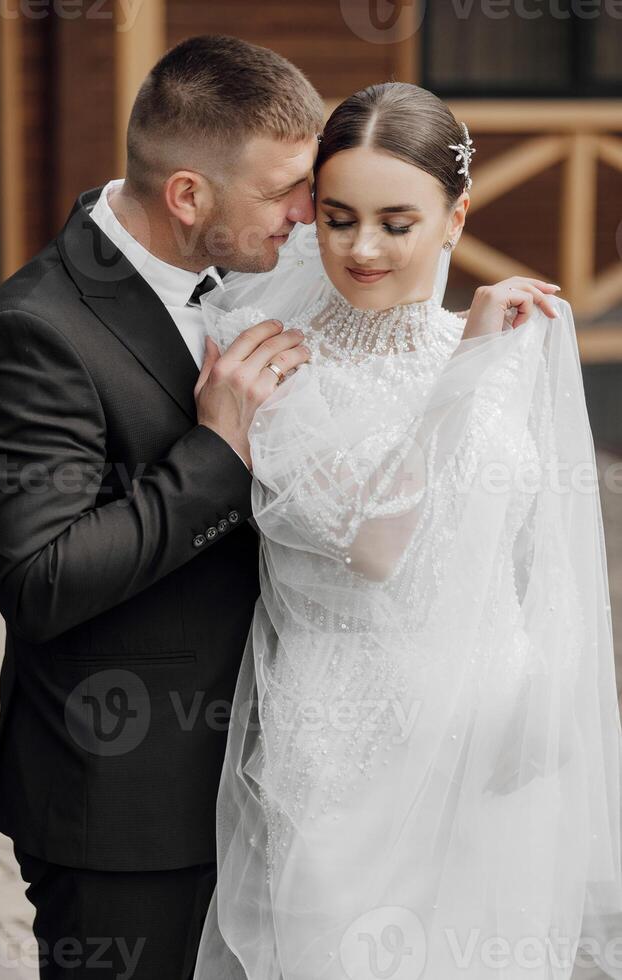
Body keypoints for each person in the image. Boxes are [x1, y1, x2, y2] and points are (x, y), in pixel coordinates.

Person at [193, 82, 622, 980]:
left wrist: (541, 711)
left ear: (455, 216)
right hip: (343, 746)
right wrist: (466, 371)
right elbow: (376, 543)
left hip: (490, 737)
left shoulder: (506, 348)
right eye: (338, 218)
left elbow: (536, 559)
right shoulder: (272, 357)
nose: (362, 248)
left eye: (397, 221)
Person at [0, 35, 320, 979]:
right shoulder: (31, 329)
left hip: (256, 784)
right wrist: (216, 451)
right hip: (125, 811)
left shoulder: (258, 277)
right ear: (188, 196)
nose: (306, 212)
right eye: (284, 188)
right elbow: (41, 581)